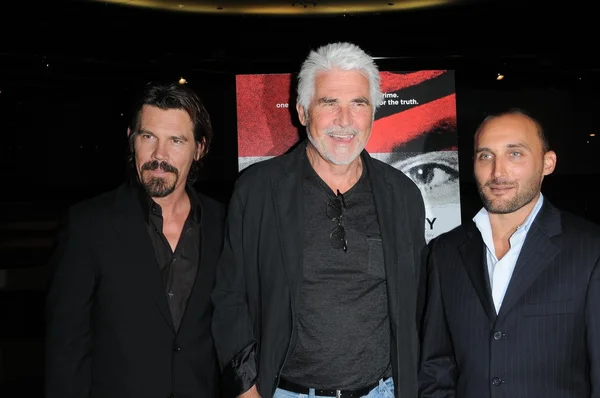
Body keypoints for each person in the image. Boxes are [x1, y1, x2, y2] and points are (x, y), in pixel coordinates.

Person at [211, 42, 428, 398]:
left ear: (372, 112)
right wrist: (245, 388)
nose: (345, 120)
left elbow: (418, 305)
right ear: (302, 111)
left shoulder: (402, 195)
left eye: (358, 103)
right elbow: (230, 296)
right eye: (329, 103)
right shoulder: (258, 190)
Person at [45, 82, 225, 398]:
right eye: (148, 137)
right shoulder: (88, 225)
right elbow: (65, 347)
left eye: (177, 141)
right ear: (131, 139)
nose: (159, 155)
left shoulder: (226, 224)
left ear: (200, 148)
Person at [418, 108, 600, 398]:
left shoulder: (590, 249)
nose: (497, 172)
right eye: (485, 155)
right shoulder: (445, 252)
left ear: (547, 163)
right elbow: (437, 366)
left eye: (515, 154)